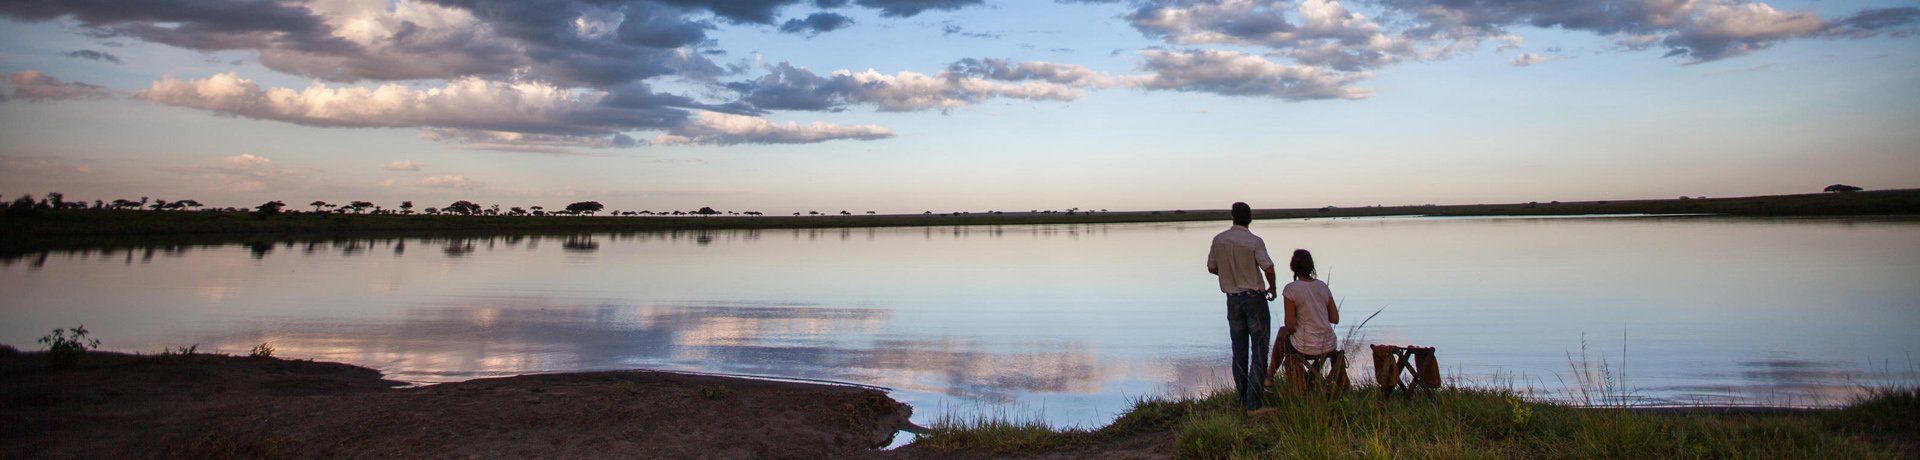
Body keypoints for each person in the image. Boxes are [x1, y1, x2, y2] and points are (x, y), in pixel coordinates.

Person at [1206, 202, 1278, 416]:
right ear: (1250, 218)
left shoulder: (1219, 240)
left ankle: (1242, 398)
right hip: (1255, 300)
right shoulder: (1254, 241)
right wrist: (1272, 287)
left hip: (1233, 301)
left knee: (1239, 352)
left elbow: (1211, 267)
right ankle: (1253, 404)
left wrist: (1229, 276)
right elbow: (1269, 267)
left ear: (1232, 217)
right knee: (1259, 350)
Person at [1267, 249, 1340, 385]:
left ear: (1293, 267)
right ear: (1311, 266)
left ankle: (1269, 376)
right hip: (1329, 344)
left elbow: (1290, 325)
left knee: (1283, 332)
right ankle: (1311, 380)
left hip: (1305, 346)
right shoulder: (1322, 286)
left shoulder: (1291, 289)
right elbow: (1335, 318)